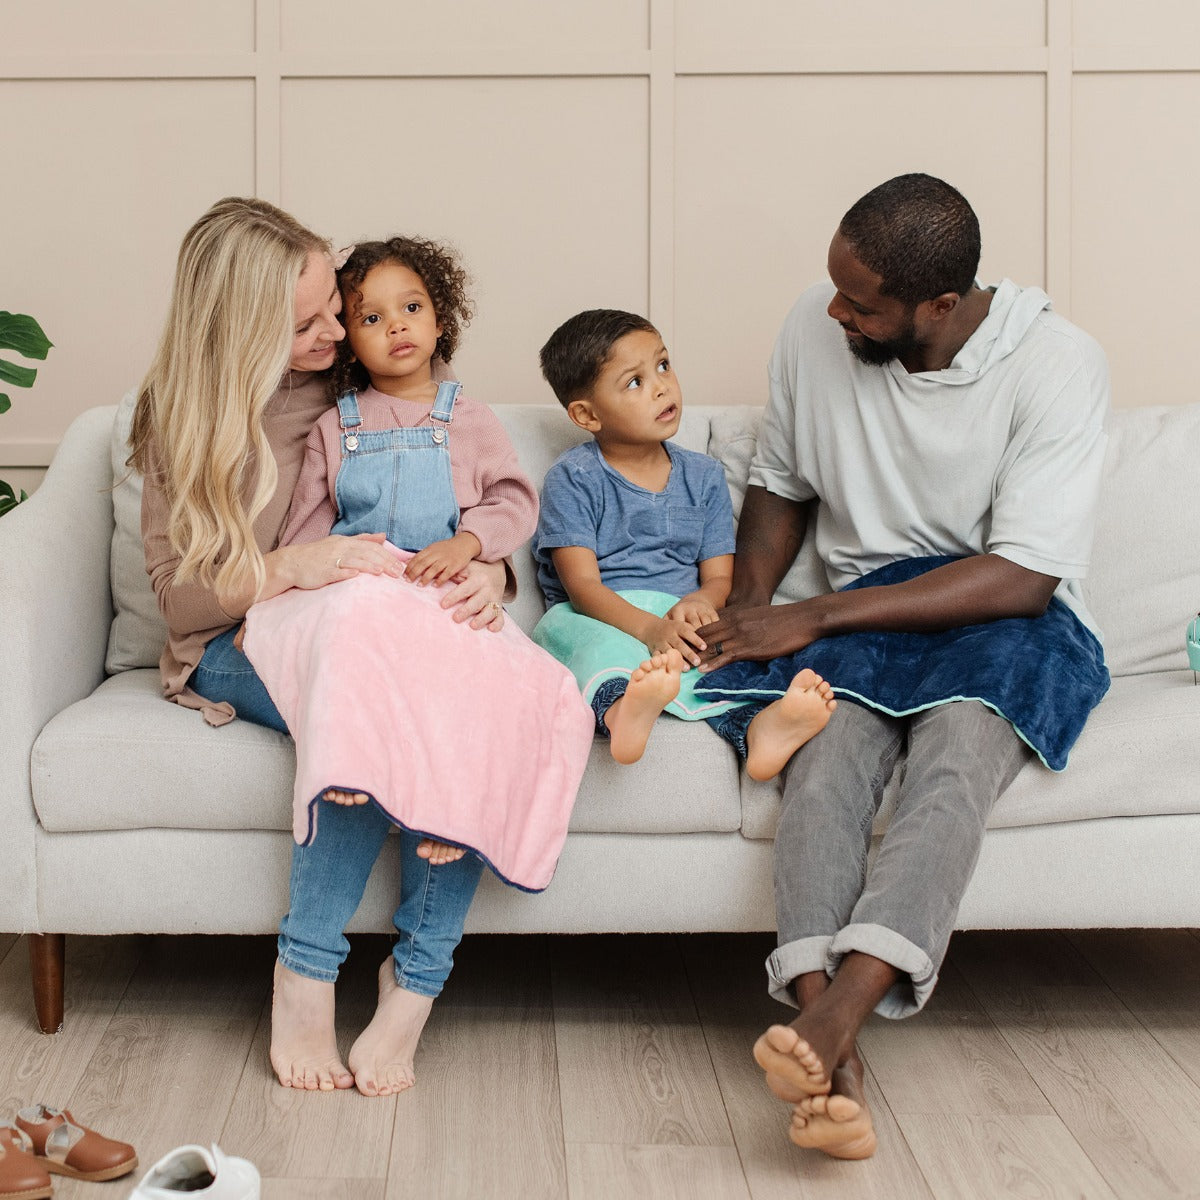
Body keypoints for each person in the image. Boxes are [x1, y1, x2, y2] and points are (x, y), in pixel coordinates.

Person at [693, 174, 1110, 1159]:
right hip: (866, 616)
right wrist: (753, 604)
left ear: (940, 306)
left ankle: (839, 1020)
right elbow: (781, 479)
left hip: (1001, 615)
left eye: (860, 302)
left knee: (954, 768)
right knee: (826, 770)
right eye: (834, 287)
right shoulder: (815, 322)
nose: (833, 309)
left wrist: (814, 614)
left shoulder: (1056, 363)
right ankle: (825, 1041)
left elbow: (1020, 576)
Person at [128, 199, 529, 1099]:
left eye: (331, 312)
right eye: (305, 322)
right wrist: (295, 563)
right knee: (366, 708)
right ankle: (305, 976)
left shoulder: (361, 388)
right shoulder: (180, 417)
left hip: (365, 628)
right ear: (237, 330)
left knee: (453, 695)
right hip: (233, 644)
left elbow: (477, 499)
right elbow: (179, 598)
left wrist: (488, 572)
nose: (333, 332)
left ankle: (415, 984)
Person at [245, 236, 591, 885]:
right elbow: (307, 533)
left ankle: (461, 810)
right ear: (348, 338)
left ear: (440, 320)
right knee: (350, 655)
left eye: (411, 307)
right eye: (370, 318)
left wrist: (469, 545)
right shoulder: (333, 427)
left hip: (439, 593)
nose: (395, 325)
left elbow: (514, 498)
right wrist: (290, 590)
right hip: (369, 590)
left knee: (535, 688)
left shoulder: (470, 419)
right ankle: (347, 763)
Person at [531, 308, 836, 774]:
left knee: (727, 663)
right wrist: (649, 631)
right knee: (576, 637)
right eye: (634, 382)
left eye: (663, 365)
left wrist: (699, 600)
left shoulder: (704, 475)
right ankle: (625, 713)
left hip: (676, 619)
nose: (660, 386)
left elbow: (718, 576)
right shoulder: (573, 479)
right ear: (586, 414)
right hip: (605, 615)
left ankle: (761, 732)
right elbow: (582, 588)